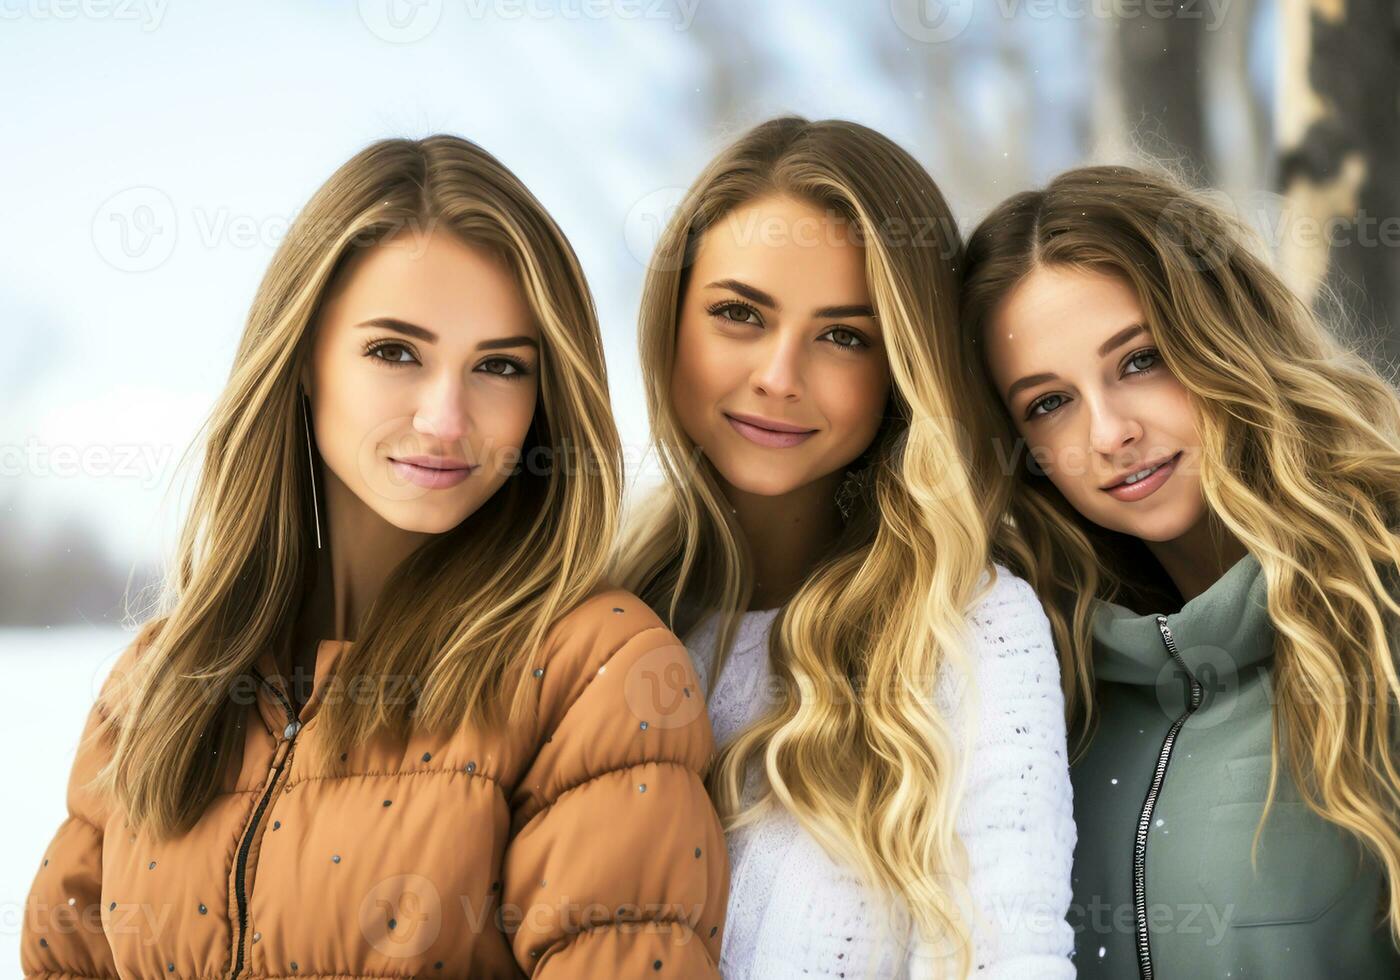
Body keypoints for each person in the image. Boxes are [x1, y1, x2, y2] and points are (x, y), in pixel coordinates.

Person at [22, 134, 727, 978]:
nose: (445, 417)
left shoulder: (595, 672)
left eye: (499, 367)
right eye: (396, 352)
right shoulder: (153, 687)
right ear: (306, 359)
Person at [612, 115, 1077, 979]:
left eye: (842, 336)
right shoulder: (599, 606)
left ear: (902, 366)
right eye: (738, 314)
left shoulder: (970, 630)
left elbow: (1014, 957)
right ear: (670, 322)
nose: (779, 376)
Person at [961, 163, 1400, 978]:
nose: (1108, 432)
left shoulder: (1381, 610)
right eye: (1048, 403)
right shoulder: (1040, 684)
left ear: (1223, 336)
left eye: (1139, 360)